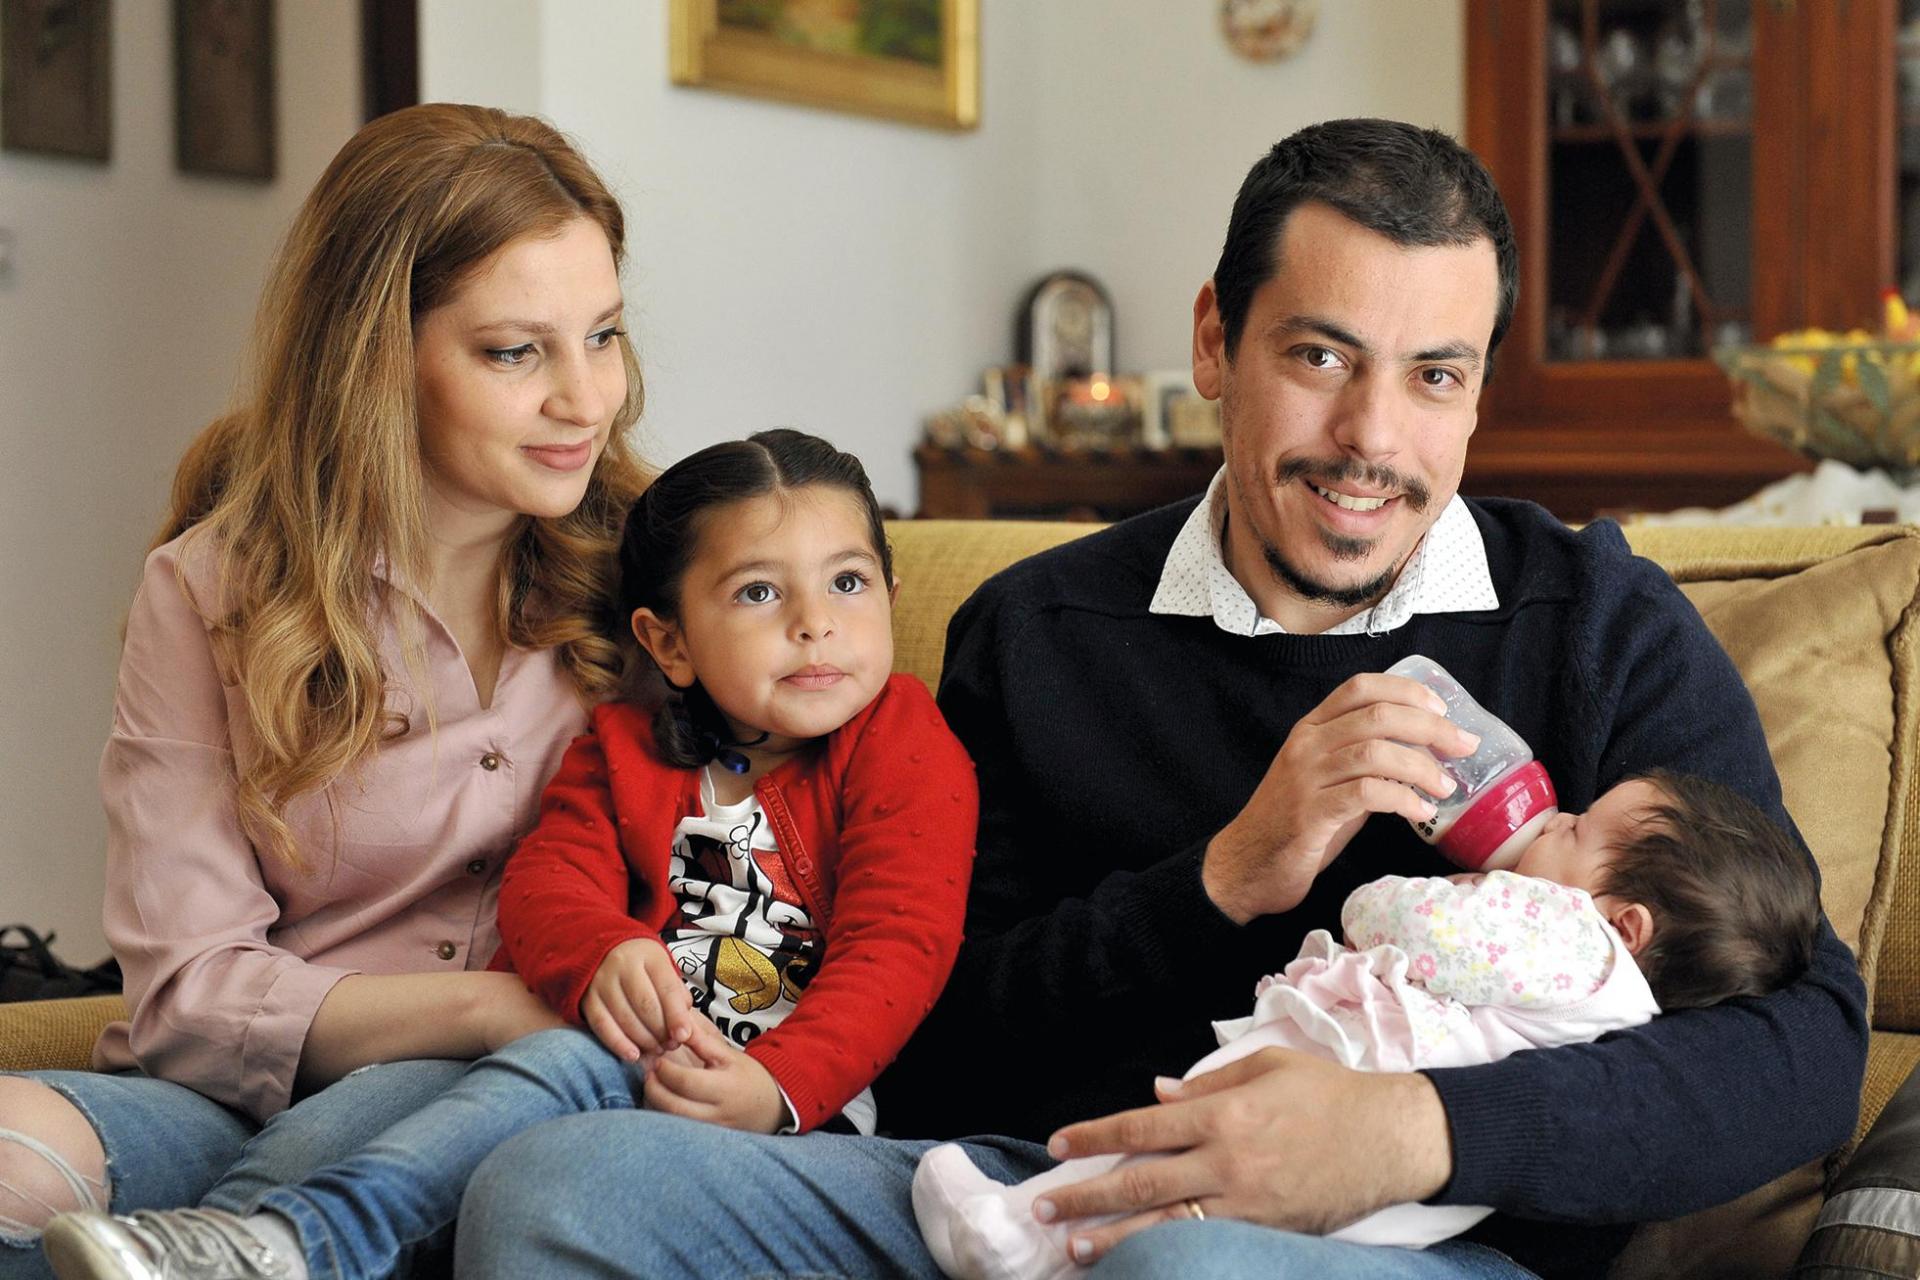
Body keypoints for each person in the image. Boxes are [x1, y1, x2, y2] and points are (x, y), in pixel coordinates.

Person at [450, 118, 1867, 1280]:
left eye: (1434, 377)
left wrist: (1404, 1132)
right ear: (1214, 344)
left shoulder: (1600, 630)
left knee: (1178, 1279)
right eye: (1320, 358)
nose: (1373, 438)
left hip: (1413, 1240)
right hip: (1033, 1188)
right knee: (555, 1191)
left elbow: (1799, 1043)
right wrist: (1222, 882)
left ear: (1479, 390)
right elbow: (933, 1030)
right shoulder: (1046, 629)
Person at [39, 430, 978, 1280]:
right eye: (760, 593)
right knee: (512, 1066)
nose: (815, 623)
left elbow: (901, 945)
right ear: (668, 643)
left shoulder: (899, 739)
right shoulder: (623, 746)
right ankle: (261, 1243)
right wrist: (604, 952)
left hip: (785, 1104)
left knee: (555, 1065)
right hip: (614, 1053)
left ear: (890, 599)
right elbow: (548, 880)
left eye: (848, 584)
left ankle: (287, 1242)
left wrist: (777, 1086)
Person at [0, 102, 651, 1280]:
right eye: (518, 351)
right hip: (240, 1094)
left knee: (435, 1105)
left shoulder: (664, 572)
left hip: (510, 1104)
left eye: (603, 334)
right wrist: (493, 1004)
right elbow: (191, 991)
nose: (586, 399)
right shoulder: (209, 588)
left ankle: (233, 1245)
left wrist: (517, 1029)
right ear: (375, 353)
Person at [912, 770, 1823, 1277]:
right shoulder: (1610, 996)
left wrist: (1390, 891)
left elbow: (1403, 923)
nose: (1554, 816)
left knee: (1174, 1144)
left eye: (1577, 828)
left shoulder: (1571, 939)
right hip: (1412, 1209)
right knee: (1183, 1192)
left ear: (1625, 923)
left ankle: (1019, 1230)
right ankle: (1035, 1241)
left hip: (1349, 1085)